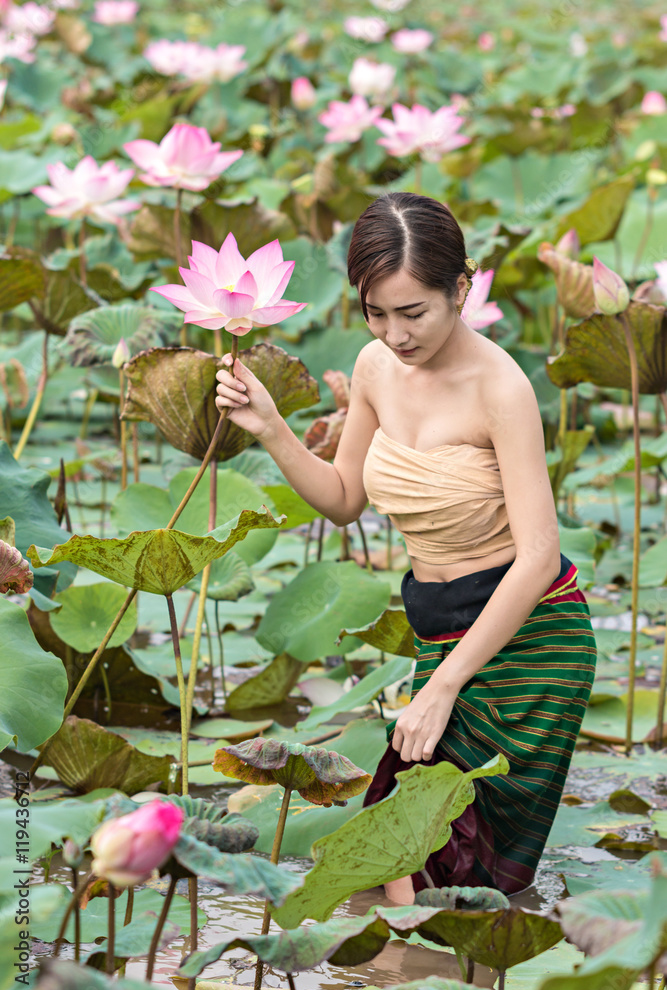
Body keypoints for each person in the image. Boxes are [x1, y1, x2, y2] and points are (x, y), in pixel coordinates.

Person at [214, 191, 597, 903]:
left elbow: (540, 556)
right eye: (375, 312)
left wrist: (444, 686)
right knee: (397, 863)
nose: (395, 333)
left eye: (413, 311)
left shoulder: (501, 388)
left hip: (528, 640)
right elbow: (341, 499)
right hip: (437, 630)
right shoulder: (372, 368)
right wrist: (270, 428)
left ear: (460, 288)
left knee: (447, 879)